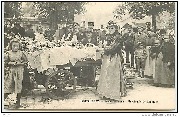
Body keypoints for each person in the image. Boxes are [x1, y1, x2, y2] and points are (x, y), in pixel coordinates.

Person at [97, 21, 126, 101]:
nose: (110, 29)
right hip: (107, 57)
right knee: (106, 73)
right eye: (109, 28)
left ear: (115, 28)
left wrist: (104, 49)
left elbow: (114, 48)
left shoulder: (118, 37)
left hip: (115, 57)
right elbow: (105, 45)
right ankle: (106, 92)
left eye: (112, 28)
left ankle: (113, 94)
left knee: (113, 74)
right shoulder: (107, 36)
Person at [4, 38, 28, 109]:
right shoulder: (8, 53)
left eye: (17, 46)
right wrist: (12, 63)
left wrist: (21, 63)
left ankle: (18, 103)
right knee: (8, 85)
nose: (15, 47)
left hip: (19, 71)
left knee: (18, 86)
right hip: (11, 71)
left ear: (19, 46)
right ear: (11, 46)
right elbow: (5, 63)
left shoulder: (21, 53)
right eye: (14, 46)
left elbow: (26, 61)